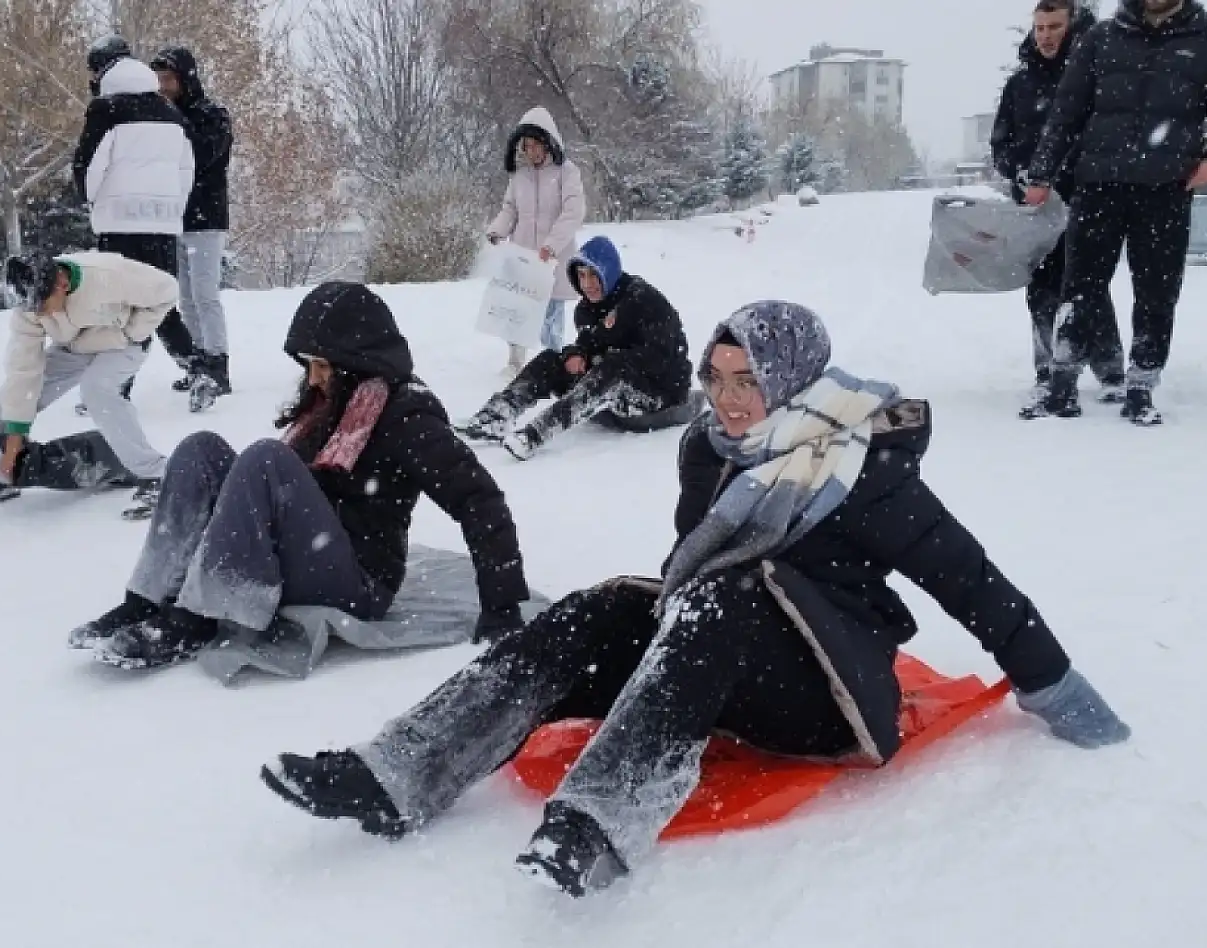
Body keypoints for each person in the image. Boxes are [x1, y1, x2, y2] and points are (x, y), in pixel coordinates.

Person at [261, 300, 1131, 896]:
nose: (728, 399)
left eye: (748, 380)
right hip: (723, 649)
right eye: (716, 378)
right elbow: (692, 566)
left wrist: (1055, 688)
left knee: (720, 604)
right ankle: (397, 773)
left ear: (791, 379)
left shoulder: (862, 471)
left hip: (828, 686)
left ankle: (599, 823)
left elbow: (972, 582)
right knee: (598, 608)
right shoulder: (708, 449)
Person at [67, 281, 531, 670]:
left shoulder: (407, 417)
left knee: (266, 460)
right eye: (310, 364)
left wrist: (502, 606)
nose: (313, 379)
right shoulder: (331, 402)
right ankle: (149, 598)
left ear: (358, 362)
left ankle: (199, 618)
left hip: (358, 582)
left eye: (323, 366)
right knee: (199, 450)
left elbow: (480, 498)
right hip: (308, 552)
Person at [1024, 0, 1207, 425]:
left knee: (1157, 293)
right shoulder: (1101, 39)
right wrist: (1041, 174)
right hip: (1099, 183)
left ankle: (1141, 386)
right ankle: (1062, 384)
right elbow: (1066, 113)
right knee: (1080, 288)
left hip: (1167, 187)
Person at [0, 252, 178, 516]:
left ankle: (156, 474)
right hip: (74, 348)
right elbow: (24, 369)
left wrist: (132, 332)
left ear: (62, 284)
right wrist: (15, 432)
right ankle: (3, 474)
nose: (38, 313)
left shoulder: (109, 275)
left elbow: (168, 289)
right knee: (9, 397)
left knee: (97, 391)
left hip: (122, 345)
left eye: (42, 306)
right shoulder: (30, 303)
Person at [989, 0, 1126, 419]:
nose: (1046, 35)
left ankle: (1110, 371)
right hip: (1034, 208)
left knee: (1089, 286)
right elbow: (1001, 146)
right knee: (1043, 290)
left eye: (1054, 26)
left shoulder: (1095, 78)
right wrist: (1022, 175)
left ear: (1073, 26)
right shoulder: (1019, 86)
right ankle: (1048, 371)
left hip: (1088, 199)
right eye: (1040, 27)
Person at [457, 236, 692, 459]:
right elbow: (588, 343)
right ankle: (495, 417)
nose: (587, 284)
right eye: (581, 276)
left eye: (594, 275)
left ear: (608, 272)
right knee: (551, 359)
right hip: (608, 383)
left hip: (660, 393)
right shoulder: (587, 309)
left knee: (613, 367)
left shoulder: (642, 299)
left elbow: (663, 358)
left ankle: (536, 434)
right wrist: (577, 354)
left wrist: (610, 361)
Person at [73, 38, 199, 401]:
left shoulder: (106, 110)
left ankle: (116, 386)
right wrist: (171, 208)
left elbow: (88, 168)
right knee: (159, 302)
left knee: (116, 305)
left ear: (102, 70)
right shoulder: (170, 112)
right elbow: (185, 170)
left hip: (119, 223)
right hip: (161, 224)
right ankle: (195, 366)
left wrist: (91, 199)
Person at [151, 46, 234, 412]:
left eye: (169, 79)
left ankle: (218, 362)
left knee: (204, 293)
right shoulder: (165, 116)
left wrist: (174, 122)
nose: (163, 86)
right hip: (175, 218)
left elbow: (202, 157)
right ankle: (198, 361)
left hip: (205, 219)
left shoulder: (211, 115)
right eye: (159, 80)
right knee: (184, 297)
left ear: (186, 78)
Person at [486, 107, 585, 375]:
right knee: (518, 312)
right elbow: (510, 209)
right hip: (523, 257)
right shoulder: (519, 178)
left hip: (553, 258)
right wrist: (498, 230)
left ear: (548, 141)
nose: (531, 152)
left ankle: (554, 363)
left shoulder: (567, 173)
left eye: (535, 145)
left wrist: (551, 245)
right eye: (526, 147)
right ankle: (515, 362)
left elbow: (573, 212)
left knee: (551, 316)